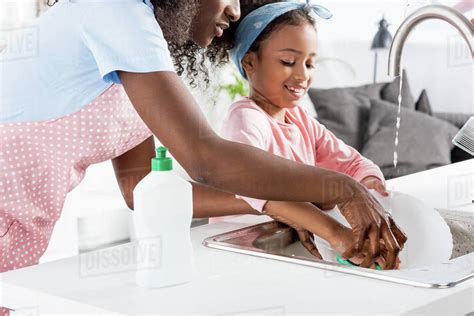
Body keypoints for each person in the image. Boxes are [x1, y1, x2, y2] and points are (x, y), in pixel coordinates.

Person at [0, 0, 406, 295]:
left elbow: (139, 190)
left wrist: (272, 202)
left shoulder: (140, 47)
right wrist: (341, 189)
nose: (234, 12)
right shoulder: (114, 11)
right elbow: (204, 157)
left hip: (20, 229)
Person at [210, 2, 401, 268]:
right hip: (239, 250)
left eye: (310, 64)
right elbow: (254, 187)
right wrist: (336, 233)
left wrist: (370, 187)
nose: (302, 75)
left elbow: (351, 163)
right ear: (250, 62)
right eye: (289, 62)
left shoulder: (300, 120)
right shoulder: (245, 118)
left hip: (284, 245)